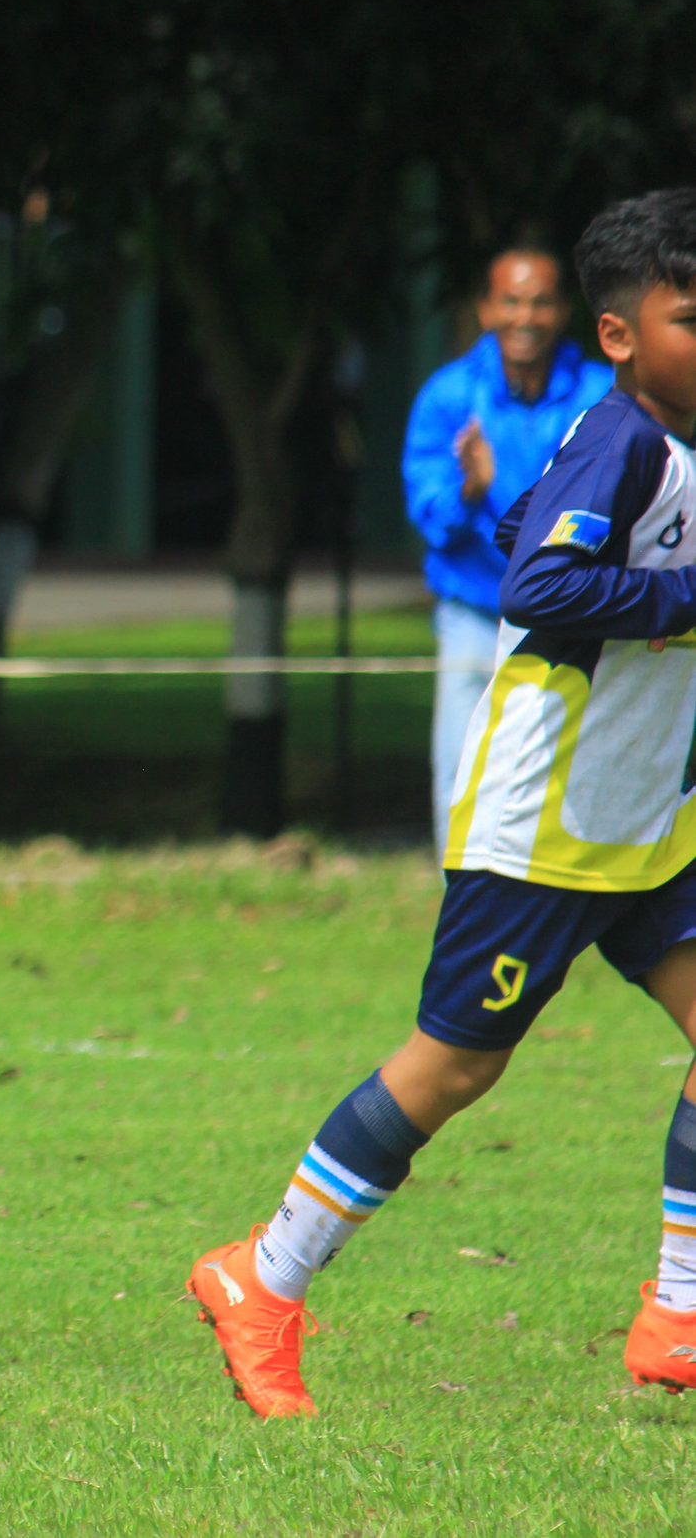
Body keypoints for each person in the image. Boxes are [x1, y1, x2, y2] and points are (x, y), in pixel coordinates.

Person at [186, 189, 696, 1417]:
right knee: (455, 1069)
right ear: (621, 334)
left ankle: (677, 1311)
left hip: (646, 819)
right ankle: (262, 1272)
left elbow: (533, 516)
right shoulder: (621, 435)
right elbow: (538, 578)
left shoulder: (666, 438)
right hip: (545, 823)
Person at [403, 248, 610, 854]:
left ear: (564, 311)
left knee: (567, 776)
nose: (526, 316)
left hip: (570, 616)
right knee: (460, 770)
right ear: (487, 310)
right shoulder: (449, 396)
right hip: (474, 612)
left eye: (541, 301)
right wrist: (470, 487)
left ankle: (551, 912)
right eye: (512, 301)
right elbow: (432, 521)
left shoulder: (601, 394)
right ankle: (463, 910)